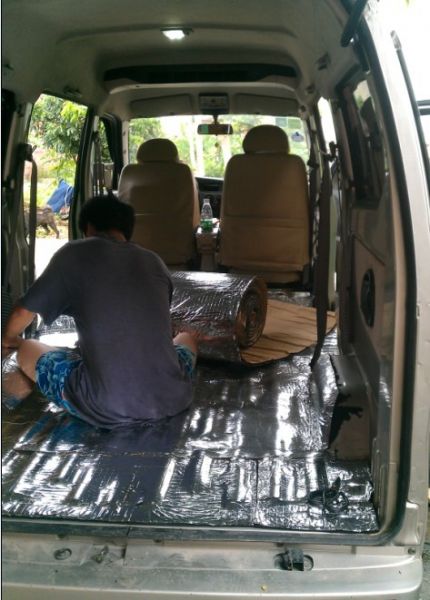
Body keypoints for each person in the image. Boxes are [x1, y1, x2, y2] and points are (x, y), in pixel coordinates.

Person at [1, 194, 198, 429]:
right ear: (126, 231)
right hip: (174, 398)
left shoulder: (74, 253)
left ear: (88, 227)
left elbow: (21, 314)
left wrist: (8, 339)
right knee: (186, 338)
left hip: (108, 405)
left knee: (27, 348)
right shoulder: (154, 261)